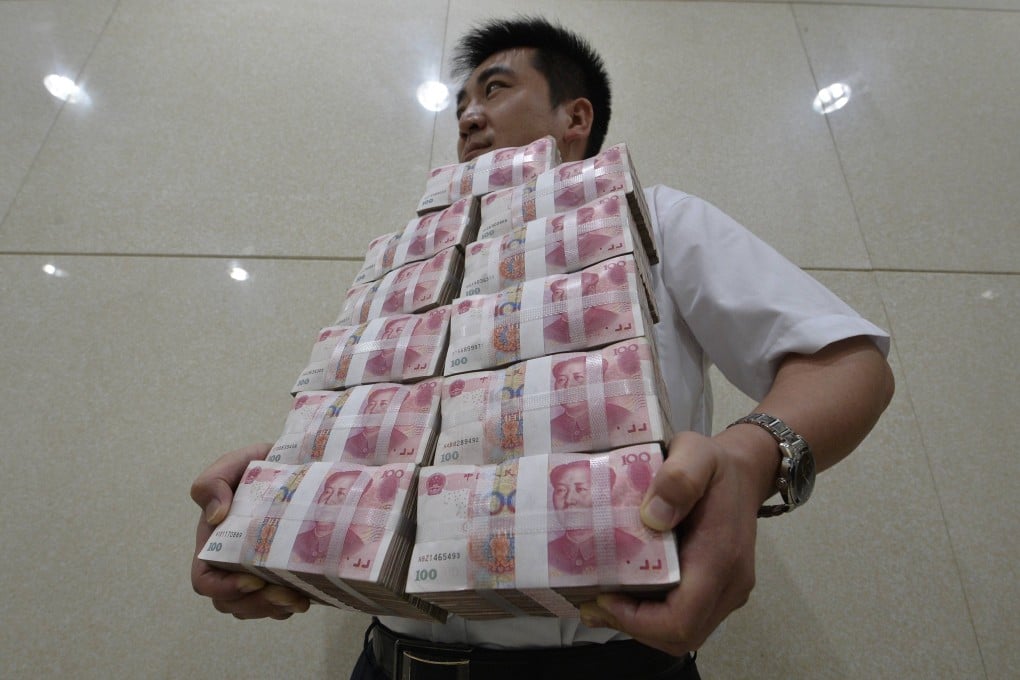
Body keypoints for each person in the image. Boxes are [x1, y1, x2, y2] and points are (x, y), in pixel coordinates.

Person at [190, 16, 894, 680]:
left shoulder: (658, 215)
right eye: (460, 102)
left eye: (495, 88)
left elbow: (846, 362)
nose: (467, 115)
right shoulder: (411, 256)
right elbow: (379, 433)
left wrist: (749, 458)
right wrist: (275, 500)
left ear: (574, 119)